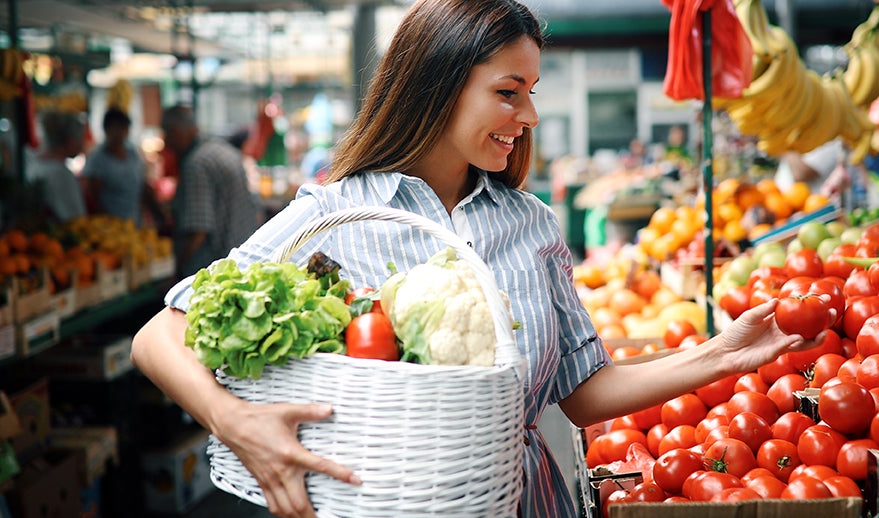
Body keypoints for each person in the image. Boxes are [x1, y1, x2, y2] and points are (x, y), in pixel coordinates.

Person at [131, 1, 830, 516]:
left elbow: (581, 390)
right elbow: (158, 335)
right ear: (435, 86)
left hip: (524, 501)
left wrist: (721, 356)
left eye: (529, 94)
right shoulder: (332, 216)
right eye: (506, 92)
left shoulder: (530, 224)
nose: (526, 117)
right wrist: (234, 421)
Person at [159, 105, 262, 278]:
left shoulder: (196, 164)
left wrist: (177, 272)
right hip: (242, 261)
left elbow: (198, 230)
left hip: (216, 270)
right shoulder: (224, 149)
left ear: (176, 132)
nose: (166, 142)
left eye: (167, 135)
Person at [80, 108, 165, 227]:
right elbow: (93, 198)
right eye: (116, 128)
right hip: (112, 227)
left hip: (136, 224)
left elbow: (142, 186)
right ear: (106, 129)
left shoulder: (132, 154)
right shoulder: (97, 159)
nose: (120, 133)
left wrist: (158, 214)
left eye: (124, 128)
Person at [25, 110, 87, 222]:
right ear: (71, 141)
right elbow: (77, 221)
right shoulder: (61, 174)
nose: (83, 144)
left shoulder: (33, 163)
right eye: (82, 138)